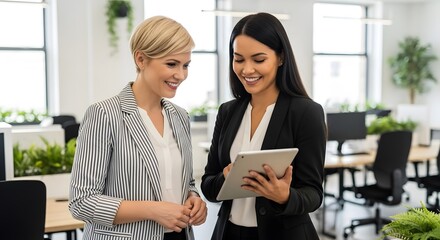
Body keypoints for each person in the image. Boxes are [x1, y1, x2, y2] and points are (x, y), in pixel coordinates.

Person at [69, 16, 207, 240]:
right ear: (141, 59)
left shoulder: (180, 116)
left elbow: (186, 182)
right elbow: (82, 202)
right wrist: (154, 210)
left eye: (186, 65)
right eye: (171, 64)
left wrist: (194, 197)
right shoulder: (104, 115)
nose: (181, 75)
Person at [201, 12, 326, 240]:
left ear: (280, 58)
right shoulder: (227, 112)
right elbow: (208, 185)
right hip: (229, 233)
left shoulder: (306, 113)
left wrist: (285, 196)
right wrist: (225, 178)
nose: (247, 70)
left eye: (258, 60)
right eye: (239, 59)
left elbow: (314, 194)